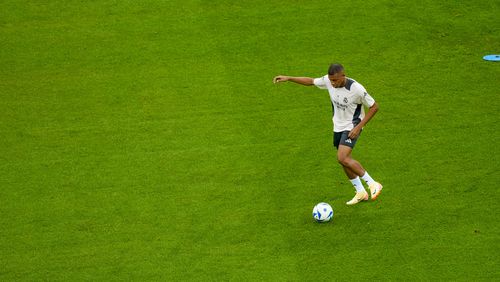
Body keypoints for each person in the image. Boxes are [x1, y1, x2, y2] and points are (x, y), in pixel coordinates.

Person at [273, 63, 383, 205]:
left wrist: (359, 127)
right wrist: (289, 78)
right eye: (331, 80)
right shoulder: (329, 81)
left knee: (342, 157)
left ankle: (373, 183)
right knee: (343, 160)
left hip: (352, 126)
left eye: (335, 80)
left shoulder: (356, 89)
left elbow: (374, 107)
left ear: (343, 76)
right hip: (337, 126)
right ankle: (360, 192)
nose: (333, 83)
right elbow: (311, 81)